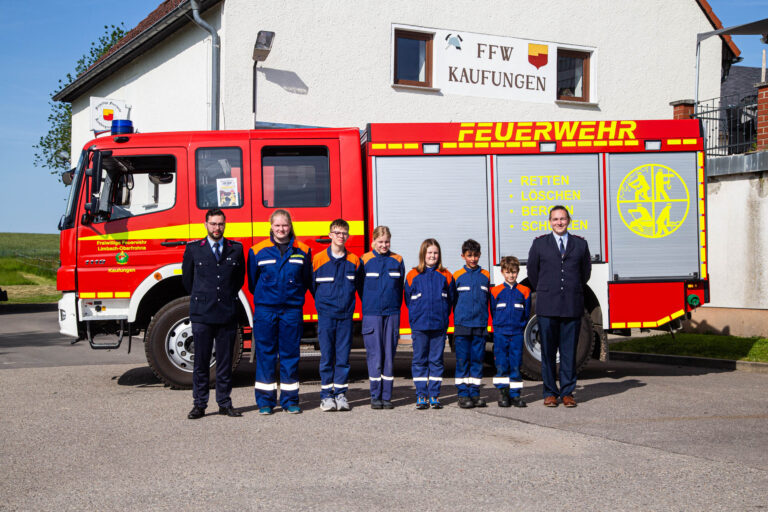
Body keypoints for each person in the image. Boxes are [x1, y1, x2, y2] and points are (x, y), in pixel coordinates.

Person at [247, 209, 312, 415]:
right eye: (277, 225)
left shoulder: (303, 250)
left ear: (290, 226)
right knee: (266, 355)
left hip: (291, 311)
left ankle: (290, 400)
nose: (281, 229)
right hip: (266, 310)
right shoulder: (257, 251)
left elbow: (306, 280)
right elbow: (252, 282)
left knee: (290, 355)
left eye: (285, 225)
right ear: (271, 226)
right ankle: (265, 402)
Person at [182, 208, 245, 419]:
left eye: (220, 224)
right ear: (206, 225)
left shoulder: (235, 249)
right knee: (201, 361)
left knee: (225, 362)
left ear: (225, 225)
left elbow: (238, 280)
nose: (217, 228)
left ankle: (224, 403)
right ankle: (199, 404)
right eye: (213, 224)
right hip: (202, 314)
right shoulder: (193, 249)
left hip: (226, 312)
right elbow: (188, 281)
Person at [527, 205, 592, 408]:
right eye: (555, 219)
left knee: (568, 352)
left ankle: (567, 393)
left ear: (568, 220)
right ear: (550, 222)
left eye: (562, 219)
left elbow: (585, 273)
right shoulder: (539, 245)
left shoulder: (580, 245)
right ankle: (549, 392)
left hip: (571, 305)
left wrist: (571, 290)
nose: (559, 222)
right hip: (547, 306)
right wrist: (547, 290)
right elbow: (533, 273)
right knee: (548, 353)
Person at [311, 219, 363, 412]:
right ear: (330, 235)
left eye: (344, 233)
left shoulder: (354, 261)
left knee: (343, 357)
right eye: (337, 232)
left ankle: (340, 394)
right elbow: (312, 286)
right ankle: (326, 396)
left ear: (347, 236)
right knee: (327, 356)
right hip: (326, 316)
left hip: (346, 316)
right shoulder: (318, 260)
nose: (341, 236)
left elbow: (360, 286)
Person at [404, 239, 456, 410]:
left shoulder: (446, 275)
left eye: (435, 253)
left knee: (436, 361)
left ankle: (434, 395)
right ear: (423, 255)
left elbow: (451, 299)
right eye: (429, 253)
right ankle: (421, 396)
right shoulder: (412, 275)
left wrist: (441, 315)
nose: (432, 256)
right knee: (419, 361)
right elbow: (408, 299)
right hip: (419, 326)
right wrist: (417, 316)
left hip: (438, 326)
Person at [360, 226, 405, 409]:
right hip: (372, 314)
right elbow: (359, 285)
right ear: (373, 242)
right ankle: (375, 395)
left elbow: (400, 285)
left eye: (386, 242)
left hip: (392, 313)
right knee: (375, 356)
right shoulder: (365, 260)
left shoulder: (398, 260)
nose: (384, 245)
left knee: (388, 356)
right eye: (380, 242)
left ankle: (387, 396)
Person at [452, 239, 491, 409]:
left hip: (480, 326)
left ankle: (475, 393)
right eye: (469, 256)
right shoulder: (457, 276)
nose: (473, 259)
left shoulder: (486, 276)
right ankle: (462, 394)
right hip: (462, 326)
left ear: (480, 255)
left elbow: (489, 299)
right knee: (462, 360)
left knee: (477, 360)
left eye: (475, 255)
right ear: (463, 256)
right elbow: (453, 300)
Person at [490, 256, 531, 408]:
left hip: (517, 334)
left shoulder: (524, 291)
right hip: (501, 334)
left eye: (514, 272)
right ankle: (503, 394)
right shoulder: (495, 291)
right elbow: (493, 311)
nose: (511, 275)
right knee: (501, 364)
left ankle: (515, 395)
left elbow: (526, 314)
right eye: (508, 272)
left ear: (518, 272)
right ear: (502, 272)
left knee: (515, 364)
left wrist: (519, 327)